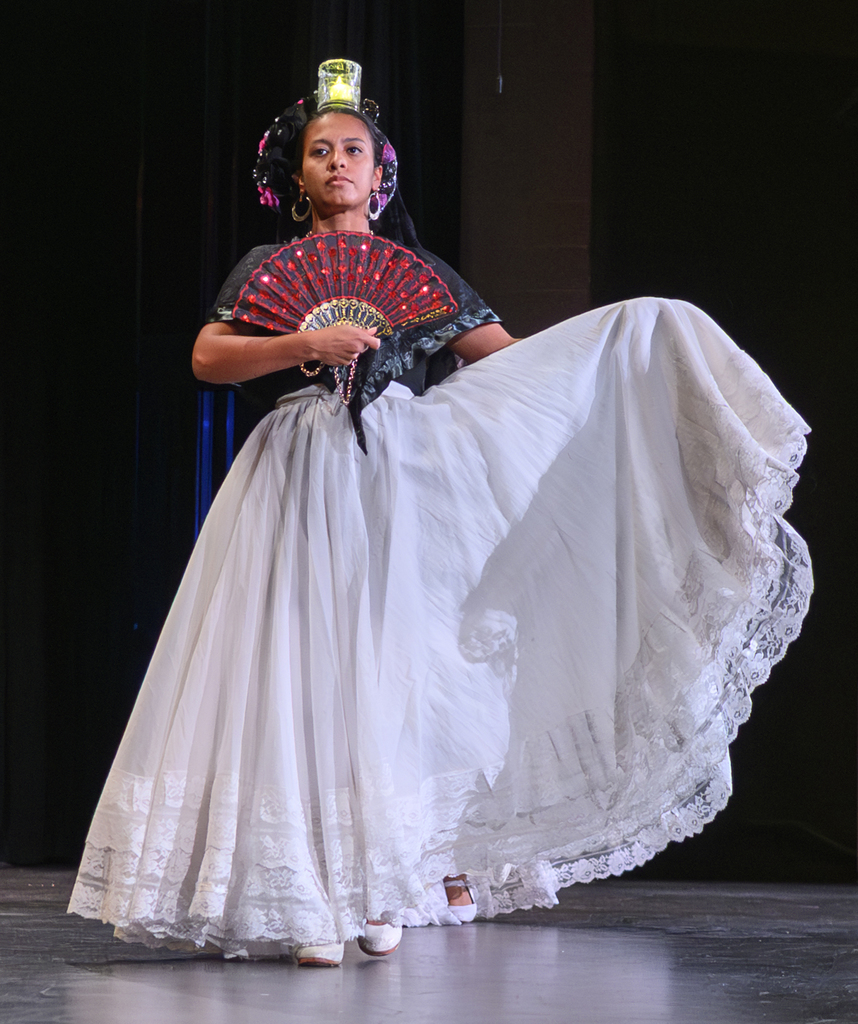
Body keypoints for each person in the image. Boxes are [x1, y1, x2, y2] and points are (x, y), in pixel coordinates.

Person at [68, 62, 812, 968]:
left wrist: (612, 349)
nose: (337, 162)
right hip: (296, 468)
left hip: (397, 474)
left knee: (396, 667)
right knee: (297, 662)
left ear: (379, 174)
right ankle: (307, 898)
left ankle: (385, 881)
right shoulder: (269, 269)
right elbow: (207, 356)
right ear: (297, 177)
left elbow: (510, 361)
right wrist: (306, 341)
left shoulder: (416, 273)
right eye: (320, 151)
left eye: (353, 150)